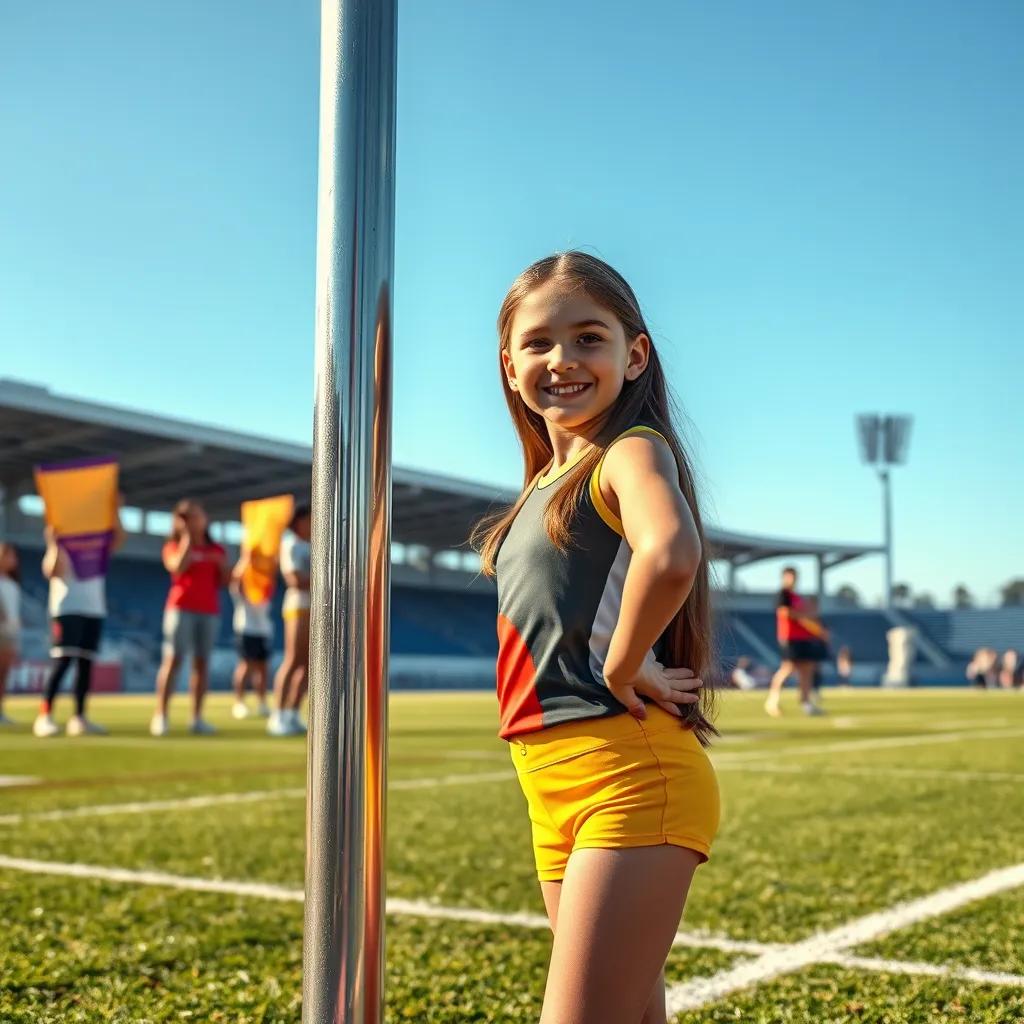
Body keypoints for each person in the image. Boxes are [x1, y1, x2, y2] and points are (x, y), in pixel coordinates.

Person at [472, 252, 719, 1024]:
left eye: (589, 338)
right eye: (539, 343)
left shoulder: (630, 451)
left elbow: (671, 551)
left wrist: (620, 664)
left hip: (626, 771)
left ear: (633, 354)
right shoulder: (543, 481)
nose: (563, 361)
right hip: (548, 778)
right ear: (509, 364)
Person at [33, 509, 125, 738]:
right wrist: (54, 543)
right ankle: (45, 715)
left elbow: (118, 539)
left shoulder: (96, 547)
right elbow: (52, 570)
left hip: (94, 609)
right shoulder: (62, 543)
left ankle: (79, 717)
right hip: (67, 608)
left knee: (85, 666)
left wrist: (113, 509)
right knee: (62, 662)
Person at [151, 499, 228, 737]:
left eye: (195, 516)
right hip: (180, 608)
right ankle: (161, 715)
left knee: (202, 664)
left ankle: (197, 718)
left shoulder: (216, 550)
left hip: (209, 611)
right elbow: (177, 567)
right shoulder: (173, 545)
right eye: (186, 517)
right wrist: (186, 537)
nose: (192, 521)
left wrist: (224, 565)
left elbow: (224, 581)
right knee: (173, 660)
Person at [268, 504, 311, 737]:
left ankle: (293, 713)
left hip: (315, 608)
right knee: (293, 660)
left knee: (309, 666)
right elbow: (294, 579)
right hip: (298, 607)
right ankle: (278, 714)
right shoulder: (291, 543)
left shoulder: (314, 545)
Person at [764, 566, 826, 717]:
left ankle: (806, 702)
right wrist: (803, 616)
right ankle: (772, 701)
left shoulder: (797, 597)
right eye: (790, 576)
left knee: (807, 669)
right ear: (784, 577)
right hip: (790, 638)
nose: (793, 580)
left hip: (804, 638)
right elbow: (785, 612)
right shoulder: (783, 594)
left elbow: (807, 615)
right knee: (788, 668)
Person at [229, 550, 272, 719]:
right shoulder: (242, 590)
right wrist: (246, 559)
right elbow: (236, 580)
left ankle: (262, 703)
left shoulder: (262, 587)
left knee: (263, 668)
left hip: (263, 631)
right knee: (245, 666)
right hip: (246, 629)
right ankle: (239, 703)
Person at [0, 543, 21, 726]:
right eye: (8, 556)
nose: (12, 560)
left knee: (4, 674)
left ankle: (1, 711)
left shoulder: (13, 585)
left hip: (10, 633)